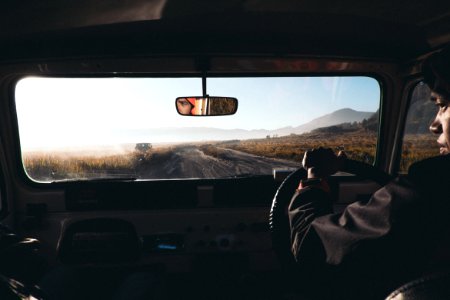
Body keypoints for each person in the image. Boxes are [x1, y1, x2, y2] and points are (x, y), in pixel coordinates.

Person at [288, 47, 450, 300]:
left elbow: (312, 246)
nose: (433, 124)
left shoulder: (432, 187)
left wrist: (314, 180)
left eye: (442, 104)